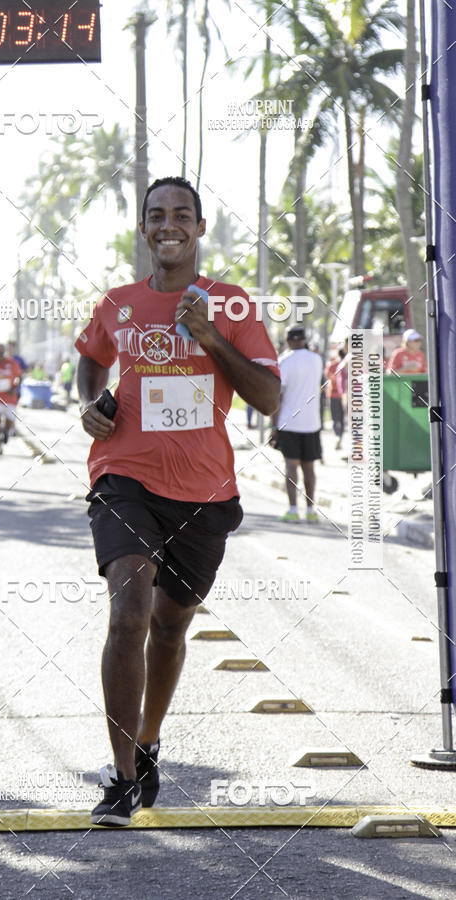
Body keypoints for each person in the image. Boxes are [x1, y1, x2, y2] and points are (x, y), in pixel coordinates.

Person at [76, 175, 280, 827]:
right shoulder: (118, 302)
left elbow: (271, 399)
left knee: (168, 628)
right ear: (144, 228)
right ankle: (120, 778)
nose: (170, 224)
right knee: (129, 614)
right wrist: (92, 402)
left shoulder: (233, 305)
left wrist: (211, 336)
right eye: (157, 214)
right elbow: (91, 356)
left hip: (203, 493)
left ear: (198, 229)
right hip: (122, 476)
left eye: (182, 215)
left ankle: (148, 738)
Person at [270, 324, 323, 522]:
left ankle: (293, 510)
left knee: (291, 466)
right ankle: (311, 510)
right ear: (304, 339)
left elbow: (278, 397)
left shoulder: (284, 361)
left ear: (289, 340)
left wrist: (274, 426)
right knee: (310, 468)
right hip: (312, 422)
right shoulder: (317, 359)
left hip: (288, 422)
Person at [325, 348, 346, 450]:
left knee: (336, 418)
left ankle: (338, 436)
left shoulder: (333, 365)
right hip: (338, 395)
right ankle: (339, 436)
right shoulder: (340, 364)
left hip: (336, 395)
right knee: (339, 418)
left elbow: (328, 377)